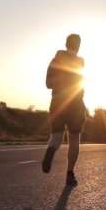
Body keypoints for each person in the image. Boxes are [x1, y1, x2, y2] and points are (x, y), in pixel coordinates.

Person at [41, 34, 86, 185]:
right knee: (74, 139)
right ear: (78, 45)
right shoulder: (80, 61)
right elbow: (79, 82)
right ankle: (70, 174)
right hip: (75, 104)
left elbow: (48, 84)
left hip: (57, 102)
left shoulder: (55, 61)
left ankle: (51, 149)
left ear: (66, 44)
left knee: (56, 138)